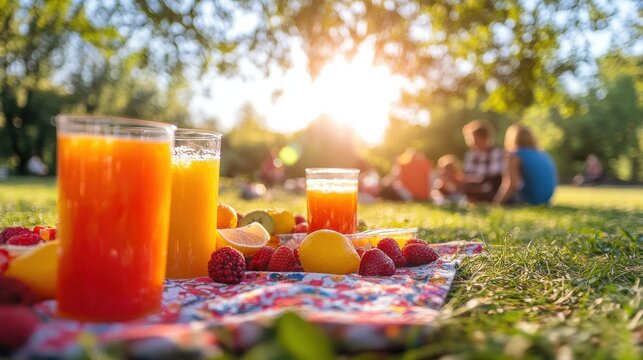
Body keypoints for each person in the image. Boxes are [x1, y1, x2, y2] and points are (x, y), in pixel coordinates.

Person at [493, 124, 558, 205]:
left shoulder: (514, 155)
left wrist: (496, 204)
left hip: (528, 199)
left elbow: (511, 184)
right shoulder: (543, 154)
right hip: (546, 200)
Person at [461, 120, 504, 202]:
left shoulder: (497, 153)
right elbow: (467, 174)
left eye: (473, 139)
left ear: (485, 138)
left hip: (491, 187)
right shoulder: (471, 155)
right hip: (475, 186)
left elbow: (494, 176)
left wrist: (477, 179)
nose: (471, 143)